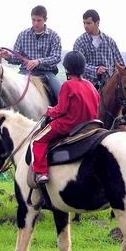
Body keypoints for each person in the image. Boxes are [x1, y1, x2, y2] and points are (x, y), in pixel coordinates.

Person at [30, 51, 100, 184]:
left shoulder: (67, 85)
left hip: (68, 125)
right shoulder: (90, 85)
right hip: (90, 124)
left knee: (37, 140)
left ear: (67, 68)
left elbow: (61, 110)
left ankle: (41, 173)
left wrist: (49, 111)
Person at [0, 5, 62, 99]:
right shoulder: (23, 35)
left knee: (60, 94)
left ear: (45, 19)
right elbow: (17, 58)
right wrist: (8, 56)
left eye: (39, 20)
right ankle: (0, 113)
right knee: (5, 92)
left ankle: (61, 112)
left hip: (47, 72)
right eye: (33, 20)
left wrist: (38, 61)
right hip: (25, 71)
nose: (35, 23)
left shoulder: (54, 36)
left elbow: (56, 57)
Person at [73, 9, 125, 90]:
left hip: (109, 87)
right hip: (86, 86)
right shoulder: (80, 42)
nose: (85, 26)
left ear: (97, 23)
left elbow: (120, 64)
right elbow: (77, 66)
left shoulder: (110, 41)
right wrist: (96, 70)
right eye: (84, 23)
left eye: (89, 23)